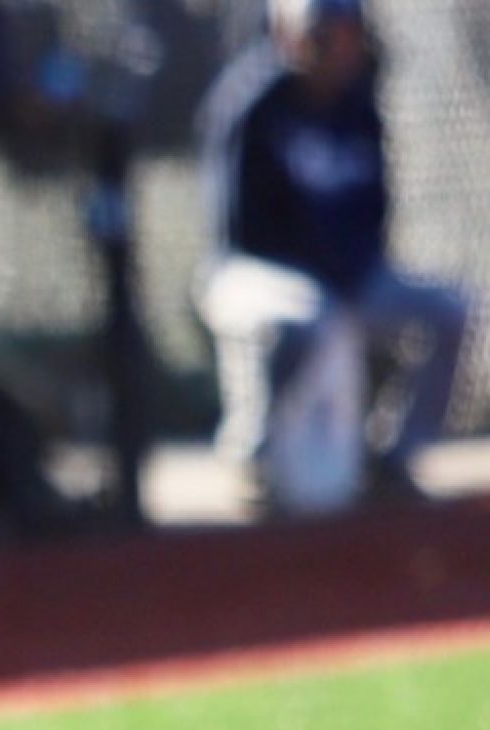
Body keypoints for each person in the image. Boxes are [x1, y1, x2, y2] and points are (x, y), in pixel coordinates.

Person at [196, 0, 471, 507]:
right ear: (289, 37)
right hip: (253, 273)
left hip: (348, 277)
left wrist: (351, 277)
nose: (335, 50)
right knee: (307, 315)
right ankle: (253, 456)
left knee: (451, 309)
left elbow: (373, 212)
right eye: (322, 36)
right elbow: (236, 230)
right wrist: (321, 279)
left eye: (346, 37)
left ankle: (395, 455)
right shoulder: (254, 104)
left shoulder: (359, 104)